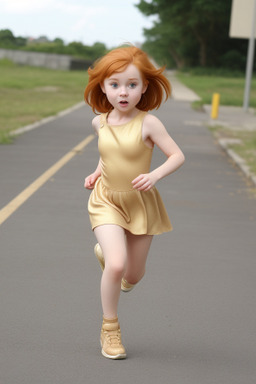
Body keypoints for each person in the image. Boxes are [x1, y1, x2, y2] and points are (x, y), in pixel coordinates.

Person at [84, 46, 185, 360]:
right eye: (115, 85)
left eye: (131, 84)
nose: (123, 92)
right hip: (106, 200)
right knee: (116, 264)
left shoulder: (149, 124)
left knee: (134, 274)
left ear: (144, 87)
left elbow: (177, 155)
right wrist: (96, 172)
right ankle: (109, 329)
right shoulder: (99, 123)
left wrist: (154, 176)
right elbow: (108, 154)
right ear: (103, 86)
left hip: (141, 202)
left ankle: (115, 263)